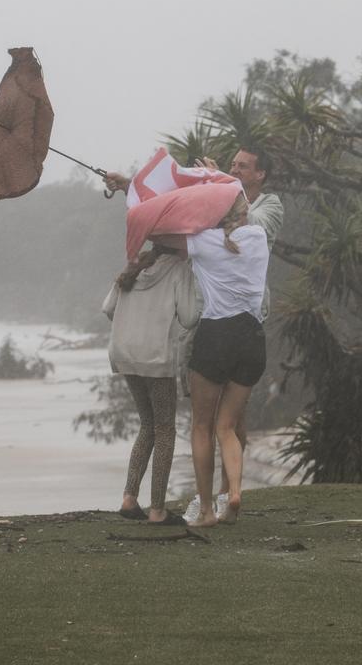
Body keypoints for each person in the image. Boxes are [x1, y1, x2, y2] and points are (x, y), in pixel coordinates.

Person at [184, 149, 282, 522]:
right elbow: (241, 212)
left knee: (202, 425)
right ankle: (235, 494)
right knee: (228, 426)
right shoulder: (257, 237)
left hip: (215, 335)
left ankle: (207, 507)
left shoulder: (203, 242)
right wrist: (222, 185)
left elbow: (166, 231)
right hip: (252, 338)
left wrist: (211, 183)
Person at [103, 243, 200, 525]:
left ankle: (129, 498)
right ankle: (157, 509)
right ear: (181, 245)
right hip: (156, 358)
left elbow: (108, 308)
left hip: (126, 355)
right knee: (165, 428)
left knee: (147, 424)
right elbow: (190, 316)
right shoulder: (180, 270)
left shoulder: (136, 265)